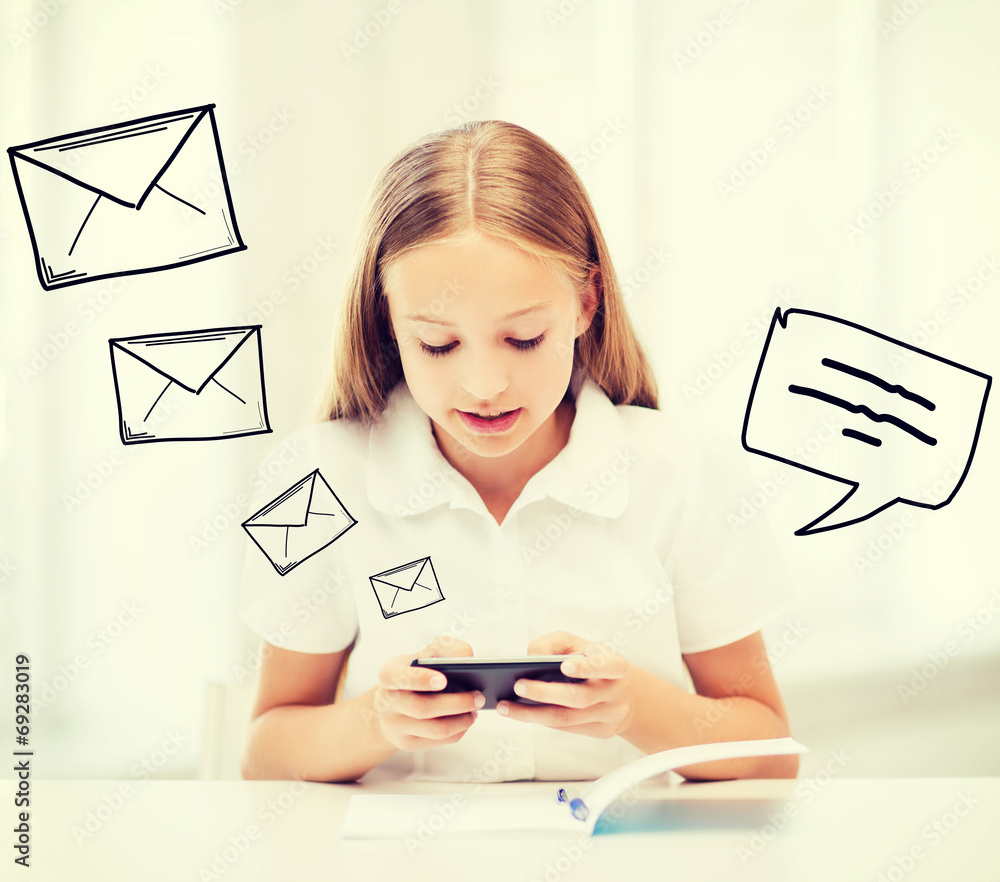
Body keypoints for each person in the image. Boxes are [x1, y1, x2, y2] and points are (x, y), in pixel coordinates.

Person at [239, 120, 797, 784]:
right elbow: (264, 753)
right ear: (388, 321)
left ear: (587, 302)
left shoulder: (689, 476)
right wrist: (378, 721)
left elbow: (769, 751)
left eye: (525, 338)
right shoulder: (307, 482)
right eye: (438, 344)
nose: (483, 386)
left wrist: (635, 707)